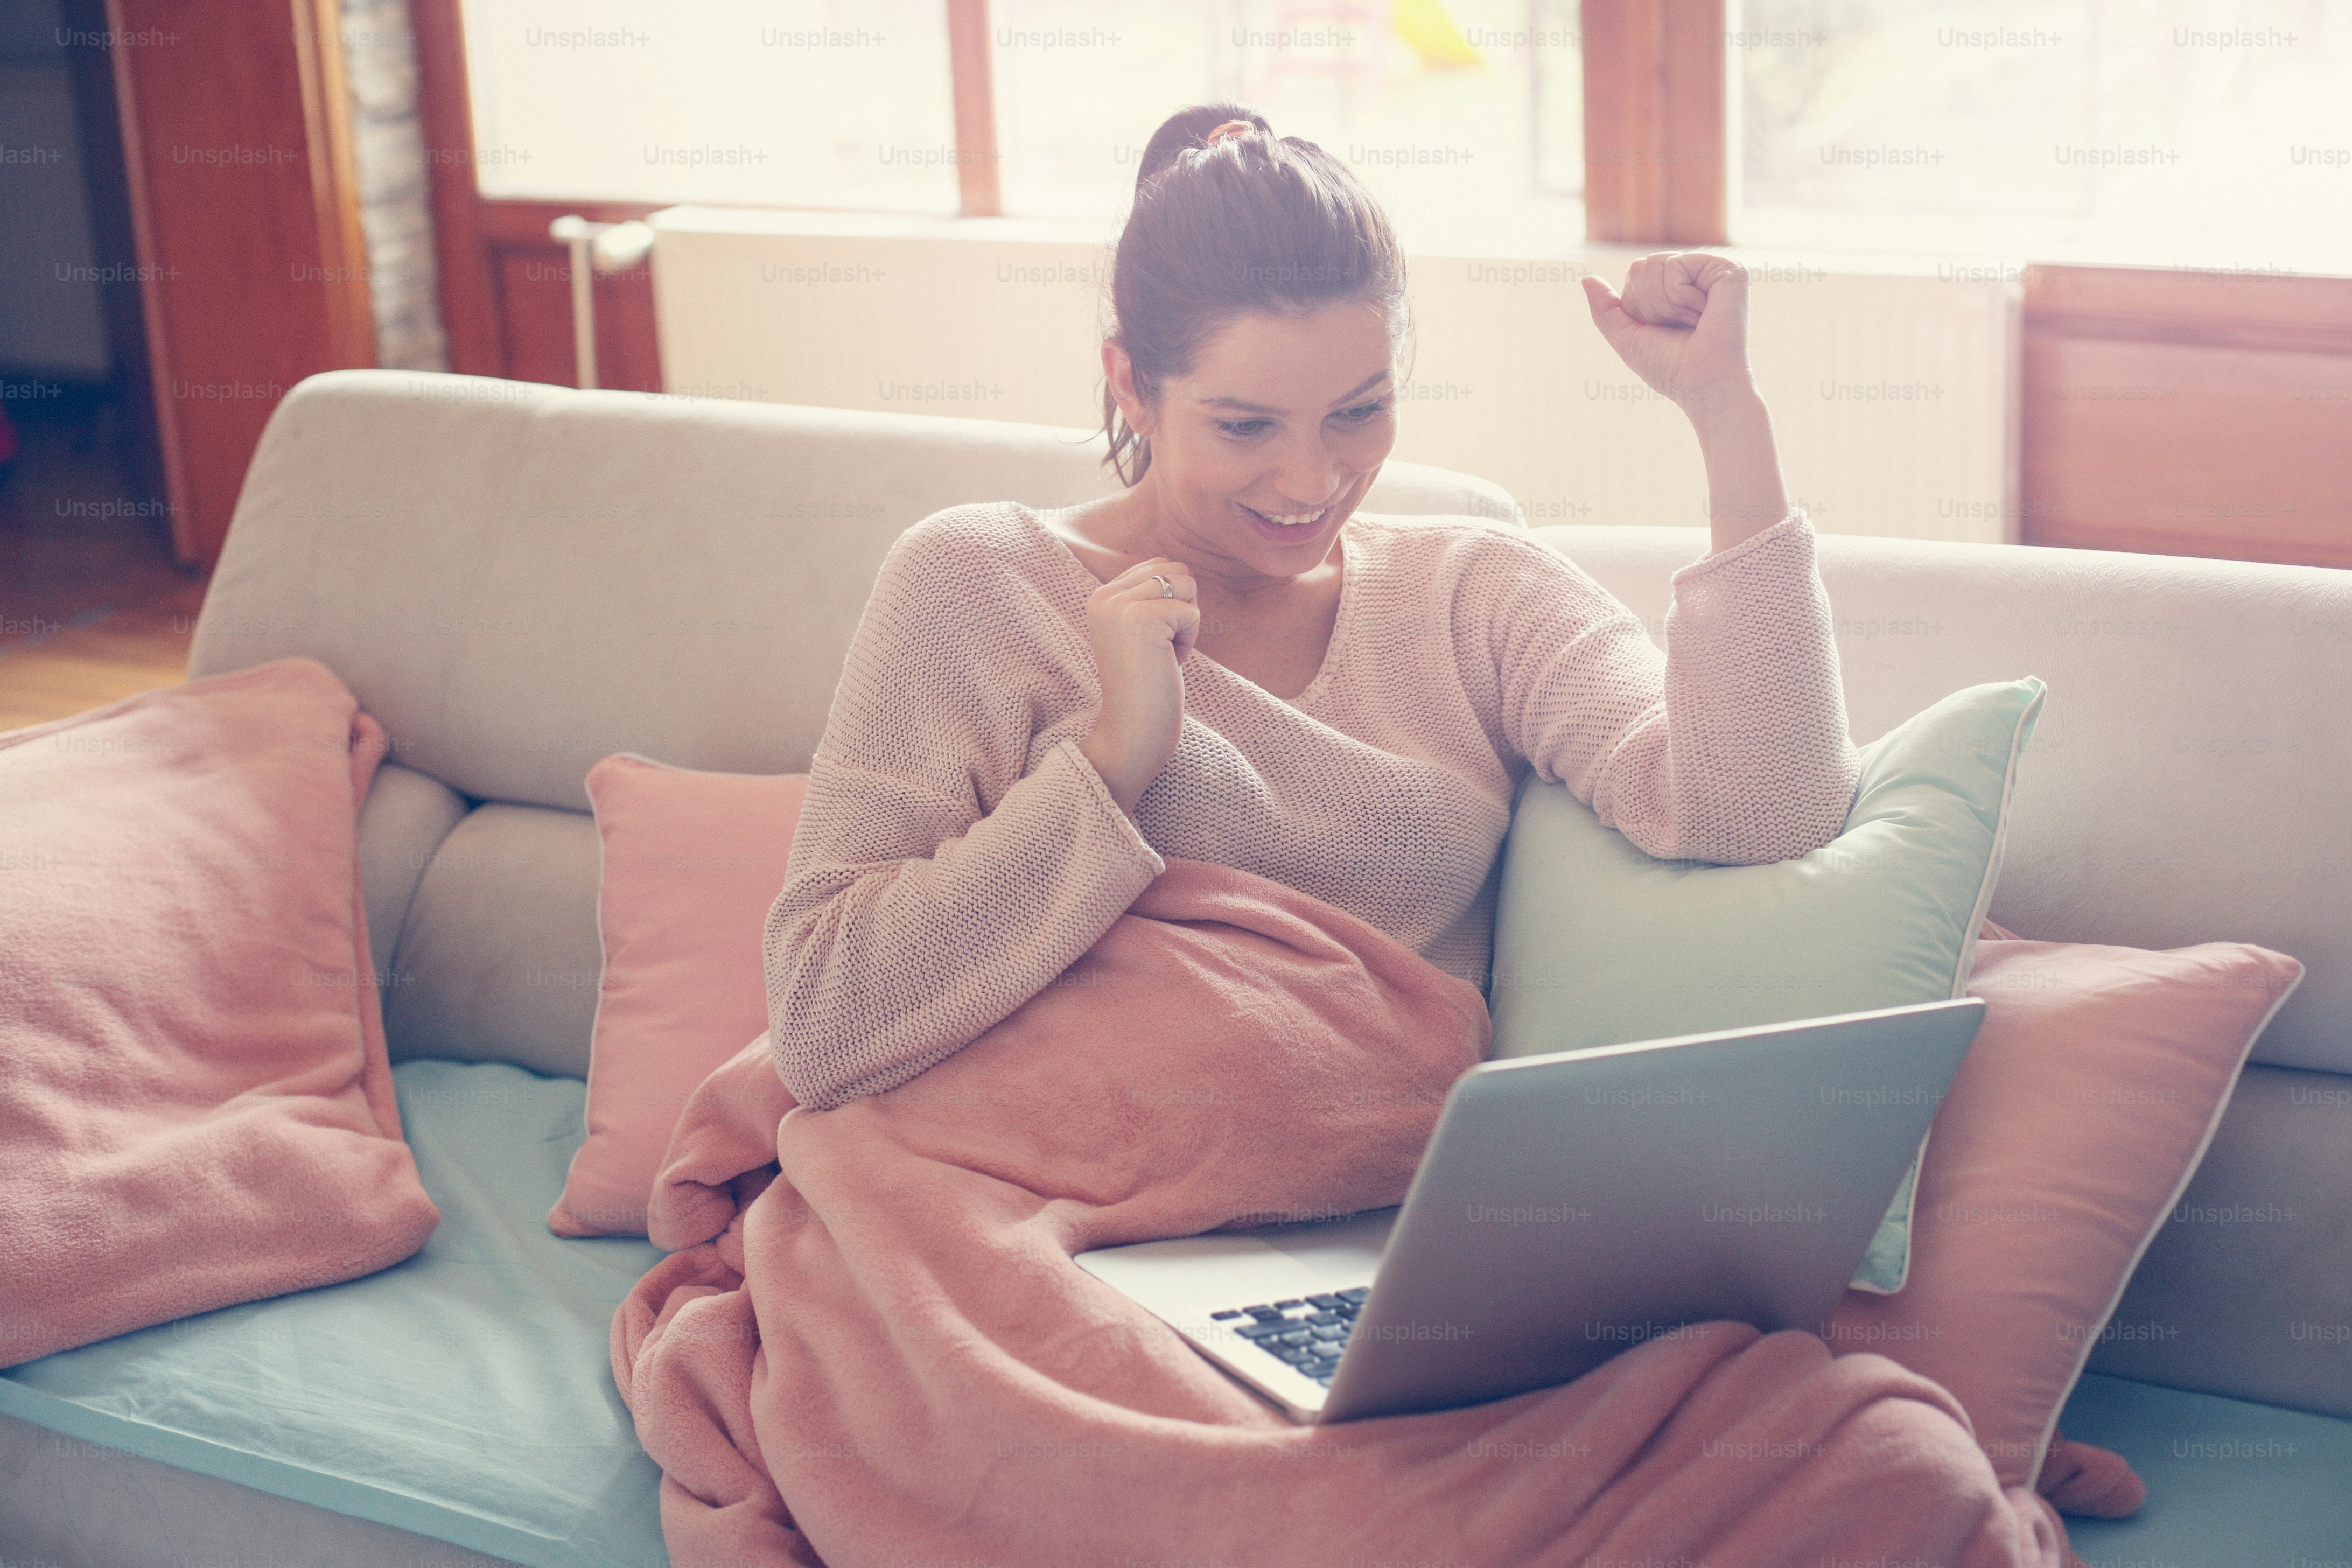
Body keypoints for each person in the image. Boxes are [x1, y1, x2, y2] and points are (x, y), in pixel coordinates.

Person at [762, 102, 1861, 1112]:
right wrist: (1108, 765)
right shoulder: (978, 582)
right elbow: (823, 1023)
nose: (1311, 481)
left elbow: (1763, 808)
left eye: (1359, 412)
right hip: (1042, 1202)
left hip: (1373, 1231)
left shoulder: (1474, 596)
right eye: (1245, 427)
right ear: (1131, 385)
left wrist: (1724, 411)